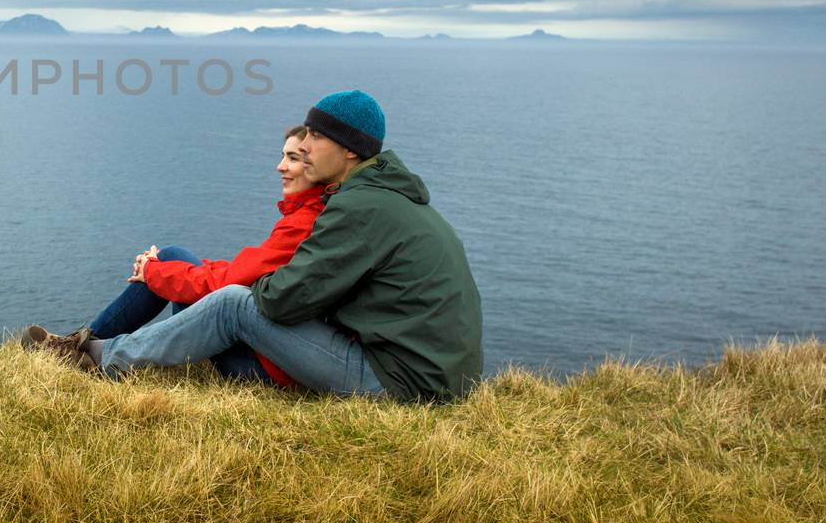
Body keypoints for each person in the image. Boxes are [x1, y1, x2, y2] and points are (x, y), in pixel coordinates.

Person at [26, 90, 484, 403]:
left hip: (403, 383)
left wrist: (250, 289)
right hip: (436, 377)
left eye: (316, 137)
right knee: (226, 294)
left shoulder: (359, 207)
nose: (304, 145)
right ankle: (91, 347)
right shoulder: (381, 198)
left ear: (349, 151)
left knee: (233, 305)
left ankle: (101, 357)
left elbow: (282, 301)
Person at [25, 125, 328, 387]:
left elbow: (226, 287)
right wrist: (161, 268)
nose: (280, 166)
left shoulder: (304, 223)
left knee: (170, 261)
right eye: (282, 155)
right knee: (173, 258)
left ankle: (82, 349)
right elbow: (250, 272)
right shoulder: (308, 215)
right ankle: (79, 345)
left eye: (292, 158)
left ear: (315, 168)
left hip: (260, 368)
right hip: (270, 355)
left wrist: (154, 272)